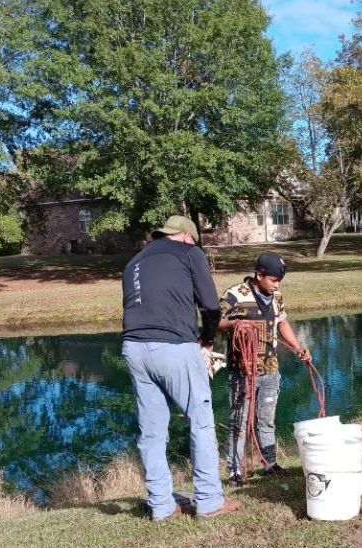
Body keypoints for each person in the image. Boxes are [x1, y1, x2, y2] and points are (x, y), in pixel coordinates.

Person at [121, 215, 239, 521]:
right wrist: (208, 340)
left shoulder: (133, 262)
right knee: (200, 422)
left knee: (151, 430)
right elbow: (211, 307)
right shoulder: (190, 252)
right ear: (187, 236)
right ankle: (210, 501)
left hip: (134, 348)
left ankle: (161, 505)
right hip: (173, 346)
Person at [218, 252, 312, 487]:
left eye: (279, 280)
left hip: (270, 369)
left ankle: (269, 464)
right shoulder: (235, 295)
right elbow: (216, 323)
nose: (277, 284)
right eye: (273, 280)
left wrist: (297, 347)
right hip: (243, 372)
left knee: (267, 420)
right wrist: (236, 323)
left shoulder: (276, 296)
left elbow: (282, 323)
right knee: (238, 422)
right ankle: (234, 471)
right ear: (259, 275)